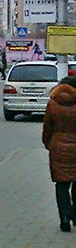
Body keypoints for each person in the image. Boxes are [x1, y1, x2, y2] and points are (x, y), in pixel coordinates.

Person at [41, 74, 76, 232]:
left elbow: (47, 127)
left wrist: (48, 144)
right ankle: (75, 215)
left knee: (61, 185)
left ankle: (64, 218)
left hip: (58, 147)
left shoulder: (52, 104)